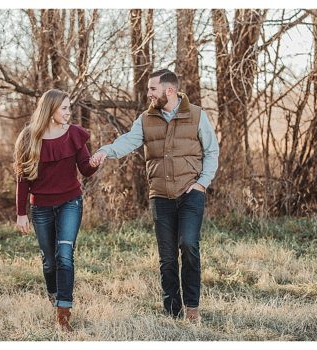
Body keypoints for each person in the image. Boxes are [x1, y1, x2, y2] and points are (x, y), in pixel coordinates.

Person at [89, 69, 219, 323]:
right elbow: (128, 141)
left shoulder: (196, 115)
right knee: (168, 255)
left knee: (189, 245)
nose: (147, 93)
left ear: (169, 90)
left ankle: (192, 308)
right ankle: (172, 310)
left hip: (190, 191)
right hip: (160, 195)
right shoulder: (146, 119)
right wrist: (106, 150)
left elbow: (212, 151)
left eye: (152, 89)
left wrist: (203, 183)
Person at [14, 88, 100, 332]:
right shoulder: (29, 137)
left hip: (70, 203)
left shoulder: (73, 134)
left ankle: (63, 313)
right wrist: (21, 213)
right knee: (50, 261)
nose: (68, 112)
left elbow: (84, 169)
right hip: (40, 207)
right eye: (64, 108)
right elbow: (23, 179)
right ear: (50, 110)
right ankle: (54, 294)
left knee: (65, 254)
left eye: (69, 107)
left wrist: (94, 163)